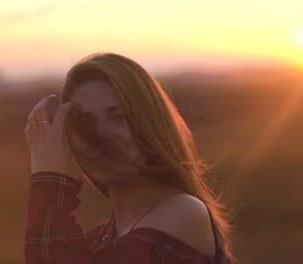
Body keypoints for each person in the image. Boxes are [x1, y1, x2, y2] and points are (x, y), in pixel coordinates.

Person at [23, 53, 234, 263]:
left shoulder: (184, 212)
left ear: (151, 122)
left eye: (118, 116)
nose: (101, 135)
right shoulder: (94, 240)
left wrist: (48, 178)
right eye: (84, 122)